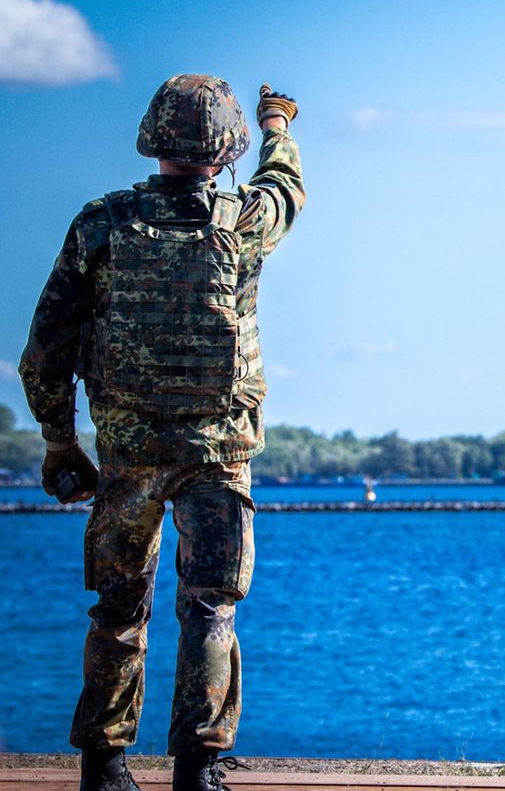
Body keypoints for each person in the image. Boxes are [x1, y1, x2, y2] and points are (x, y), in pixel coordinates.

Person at [18, 74, 304, 791]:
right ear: (226, 150)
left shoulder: (101, 224)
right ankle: (198, 771)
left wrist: (59, 441)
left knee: (118, 609)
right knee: (210, 608)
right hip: (219, 450)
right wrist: (277, 124)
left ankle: (105, 766)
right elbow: (286, 187)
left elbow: (47, 348)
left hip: (129, 450)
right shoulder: (247, 220)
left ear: (152, 139)